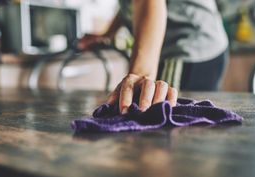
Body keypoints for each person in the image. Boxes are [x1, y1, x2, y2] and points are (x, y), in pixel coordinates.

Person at [78, 0, 228, 114]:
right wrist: (108, 33)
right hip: (199, 43)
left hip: (190, 45)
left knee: (161, 111)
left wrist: (140, 75)